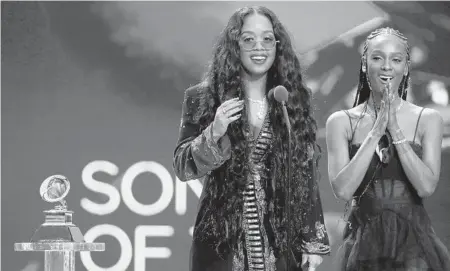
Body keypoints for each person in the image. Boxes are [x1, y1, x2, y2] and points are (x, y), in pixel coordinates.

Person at [173, 5, 330, 271]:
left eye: (267, 39)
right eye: (249, 39)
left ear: (278, 45)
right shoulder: (202, 98)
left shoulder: (290, 99)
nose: (260, 47)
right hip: (221, 240)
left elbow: (306, 173)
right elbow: (183, 167)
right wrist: (215, 131)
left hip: (280, 236)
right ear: (235, 45)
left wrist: (311, 241)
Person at [326, 27, 450, 270]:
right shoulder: (341, 122)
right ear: (364, 65)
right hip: (363, 246)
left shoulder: (428, 119)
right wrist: (374, 133)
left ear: (405, 67)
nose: (386, 66)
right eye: (377, 58)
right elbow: (342, 189)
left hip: (415, 247)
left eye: (396, 59)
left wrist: (396, 131)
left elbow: (426, 187)